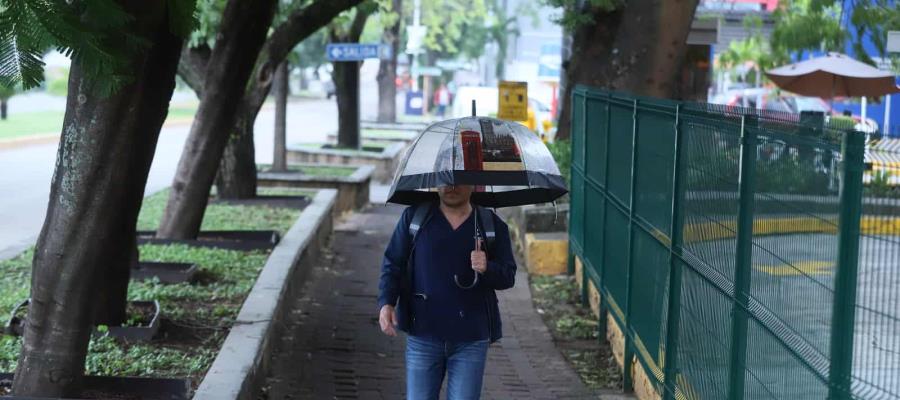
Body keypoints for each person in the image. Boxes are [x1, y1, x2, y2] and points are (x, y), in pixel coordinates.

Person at [378, 185, 517, 400]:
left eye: (460, 179)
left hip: (471, 338)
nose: (452, 186)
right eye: (446, 178)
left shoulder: (490, 225)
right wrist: (387, 302)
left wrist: (488, 267)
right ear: (436, 182)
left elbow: (508, 276)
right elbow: (393, 263)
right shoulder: (415, 218)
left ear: (473, 184)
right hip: (423, 334)